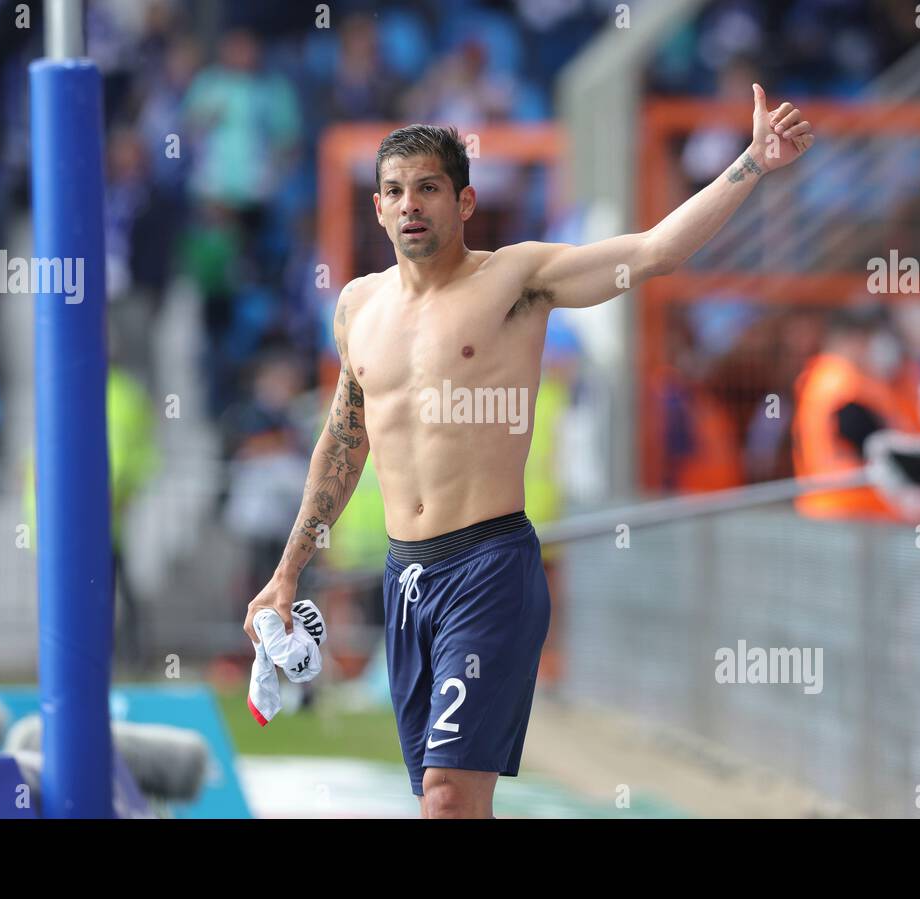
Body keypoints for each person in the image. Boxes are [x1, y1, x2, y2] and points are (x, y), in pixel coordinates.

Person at [244, 86, 815, 819]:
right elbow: (342, 441)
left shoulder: (515, 280)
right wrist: (287, 573)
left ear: (465, 202)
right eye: (394, 191)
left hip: (488, 568)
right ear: (378, 208)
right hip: (405, 576)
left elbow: (653, 253)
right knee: (441, 804)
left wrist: (753, 163)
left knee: (450, 797)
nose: (410, 203)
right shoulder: (357, 305)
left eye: (428, 188)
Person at [792, 304, 920, 520]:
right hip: (850, 513)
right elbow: (875, 445)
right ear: (852, 338)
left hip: (840, 512)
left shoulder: (832, 377)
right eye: (870, 335)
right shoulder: (844, 385)